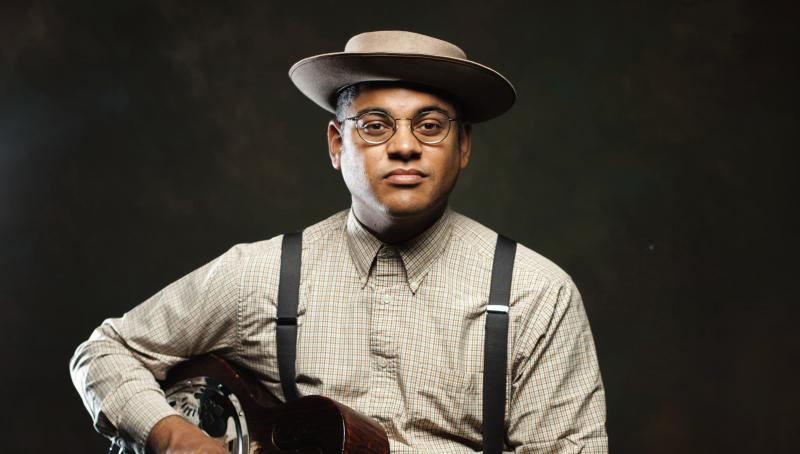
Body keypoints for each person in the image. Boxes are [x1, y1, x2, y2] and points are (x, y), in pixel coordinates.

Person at [70, 30, 607, 453]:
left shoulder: (535, 295)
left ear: (463, 146)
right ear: (336, 142)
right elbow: (105, 350)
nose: (403, 147)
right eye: (374, 125)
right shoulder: (256, 274)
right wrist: (169, 433)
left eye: (430, 126)